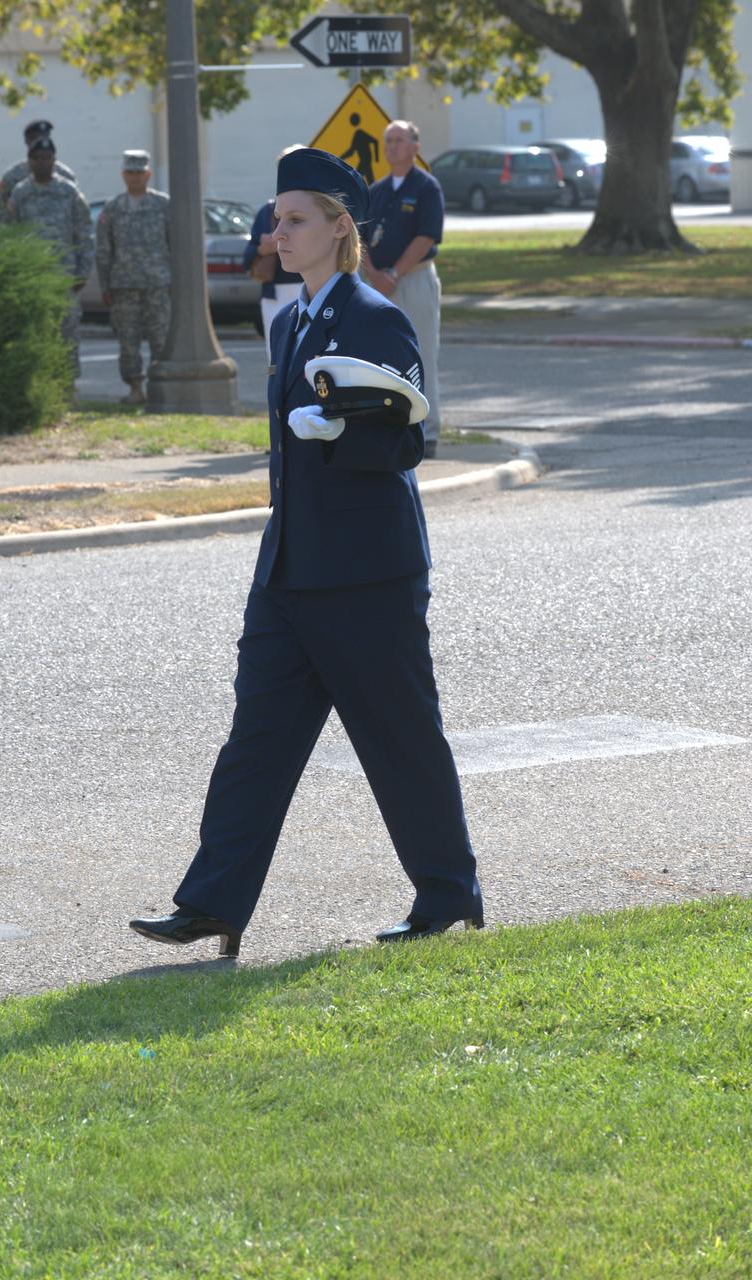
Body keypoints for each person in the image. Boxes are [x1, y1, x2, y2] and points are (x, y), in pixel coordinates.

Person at [129, 147, 483, 959]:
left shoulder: (372, 314)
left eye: (293, 220)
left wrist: (342, 436)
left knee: (400, 741)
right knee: (255, 742)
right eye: (275, 218)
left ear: (337, 227)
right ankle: (213, 904)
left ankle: (447, 895)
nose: (275, 232)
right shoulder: (290, 319)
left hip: (367, 575)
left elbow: (406, 443)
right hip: (290, 570)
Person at [362, 119, 445, 458]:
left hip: (414, 280)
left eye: (399, 140)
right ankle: (387, 425)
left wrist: (394, 273)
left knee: (422, 354)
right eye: (388, 140)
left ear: (415, 146)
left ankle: (428, 433)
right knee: (378, 358)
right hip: (376, 283)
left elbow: (426, 237)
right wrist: (374, 274)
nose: (392, 146)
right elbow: (360, 238)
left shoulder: (426, 187)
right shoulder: (376, 191)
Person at [6, 137, 93, 384]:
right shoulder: (21, 193)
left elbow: (84, 234)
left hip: (65, 278)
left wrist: (82, 273)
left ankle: (68, 390)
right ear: (29, 161)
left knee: (68, 335)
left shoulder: (69, 192)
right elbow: (12, 236)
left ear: (54, 160)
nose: (42, 163)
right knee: (38, 334)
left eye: (47, 158)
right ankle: (42, 389)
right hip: (34, 279)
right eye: (37, 158)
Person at [95, 150, 171, 404]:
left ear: (148, 174)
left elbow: (176, 245)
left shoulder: (163, 205)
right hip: (123, 286)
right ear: (123, 175)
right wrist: (106, 285)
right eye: (130, 172)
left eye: (139, 172)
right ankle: (135, 388)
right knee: (128, 342)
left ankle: (159, 387)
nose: (135, 177)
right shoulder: (113, 207)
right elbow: (104, 249)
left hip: (158, 285)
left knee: (161, 340)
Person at [243, 145, 305, 362]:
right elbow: (248, 257)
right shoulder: (268, 211)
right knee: (276, 358)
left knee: (309, 355)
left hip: (311, 290)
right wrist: (263, 247)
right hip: (274, 294)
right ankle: (277, 397)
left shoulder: (320, 209)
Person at [0, 120, 76, 225]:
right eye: (35, 138)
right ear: (27, 141)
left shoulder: (65, 175)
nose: (40, 142)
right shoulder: (11, 177)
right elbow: (1, 217)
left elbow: (78, 217)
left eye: (45, 137)